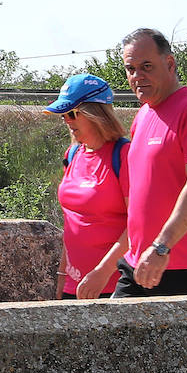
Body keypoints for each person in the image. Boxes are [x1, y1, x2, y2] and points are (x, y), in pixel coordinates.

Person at [115, 27, 187, 297]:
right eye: (130, 69)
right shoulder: (143, 115)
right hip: (140, 262)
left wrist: (161, 247)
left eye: (146, 67)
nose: (137, 77)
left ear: (169, 64)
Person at [43, 73, 129, 300]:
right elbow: (71, 223)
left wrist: (102, 272)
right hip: (76, 285)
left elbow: (139, 225)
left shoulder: (124, 155)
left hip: (114, 285)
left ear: (96, 114)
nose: (66, 121)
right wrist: (62, 275)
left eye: (71, 114)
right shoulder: (72, 154)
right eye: (63, 115)